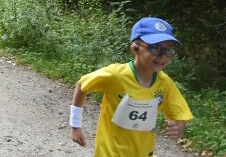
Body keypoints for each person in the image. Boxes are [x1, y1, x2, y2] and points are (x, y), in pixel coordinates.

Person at [69, 17, 193, 157]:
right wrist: (75, 125)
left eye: (168, 50)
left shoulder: (165, 84)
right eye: (156, 48)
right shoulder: (115, 75)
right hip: (110, 152)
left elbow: (179, 115)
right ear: (135, 48)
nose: (163, 56)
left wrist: (179, 128)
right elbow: (81, 85)